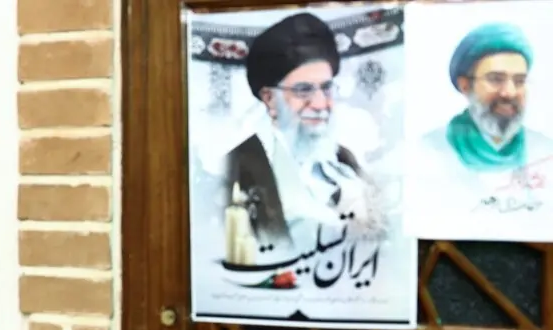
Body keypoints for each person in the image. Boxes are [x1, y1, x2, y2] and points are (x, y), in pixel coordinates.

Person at [223, 12, 375, 256]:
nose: (320, 104)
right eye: (303, 90)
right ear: (269, 99)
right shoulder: (236, 168)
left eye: (326, 88)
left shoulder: (345, 162)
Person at [407, 22, 553, 240]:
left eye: (519, 81)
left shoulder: (545, 151)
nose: (509, 92)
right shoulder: (427, 153)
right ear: (465, 85)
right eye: (496, 79)